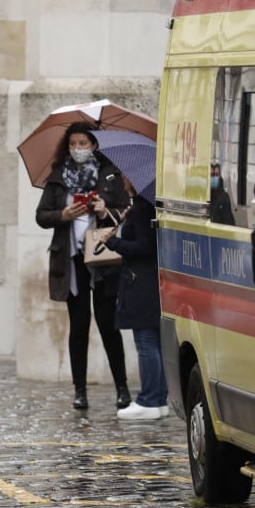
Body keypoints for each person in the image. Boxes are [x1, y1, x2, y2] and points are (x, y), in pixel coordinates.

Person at [35, 122, 131, 411]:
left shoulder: (110, 175)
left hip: (101, 258)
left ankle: (122, 389)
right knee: (78, 327)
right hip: (71, 259)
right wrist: (64, 214)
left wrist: (105, 210)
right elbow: (41, 216)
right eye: (73, 143)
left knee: (108, 326)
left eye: (83, 143)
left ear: (94, 145)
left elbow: (126, 212)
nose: (78, 149)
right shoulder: (57, 176)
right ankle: (79, 390)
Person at [102, 178, 169, 419]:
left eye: (124, 177)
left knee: (146, 342)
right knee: (152, 342)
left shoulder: (142, 208)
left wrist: (114, 242)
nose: (122, 180)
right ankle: (158, 398)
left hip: (142, 282)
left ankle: (150, 399)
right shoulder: (142, 206)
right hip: (148, 281)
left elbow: (144, 246)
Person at [210, 161, 235, 225]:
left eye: (216, 175)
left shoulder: (223, 197)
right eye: (211, 175)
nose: (213, 178)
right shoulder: (205, 197)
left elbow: (229, 222)